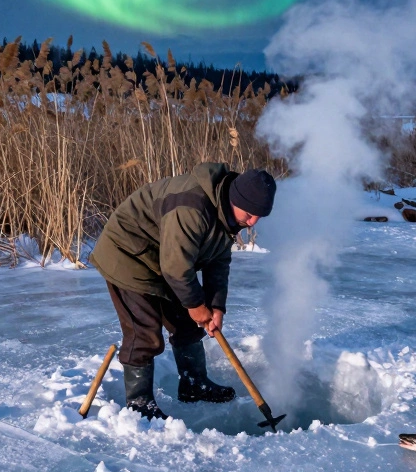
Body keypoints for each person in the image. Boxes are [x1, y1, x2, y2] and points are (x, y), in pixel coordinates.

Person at [90, 163, 277, 419]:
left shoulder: (228, 214)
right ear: (235, 198)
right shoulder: (191, 207)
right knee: (144, 331)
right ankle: (139, 404)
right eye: (249, 213)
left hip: (165, 259)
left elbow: (218, 262)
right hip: (128, 254)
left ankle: (194, 384)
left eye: (259, 216)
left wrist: (216, 306)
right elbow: (176, 269)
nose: (252, 222)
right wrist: (197, 306)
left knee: (187, 325)